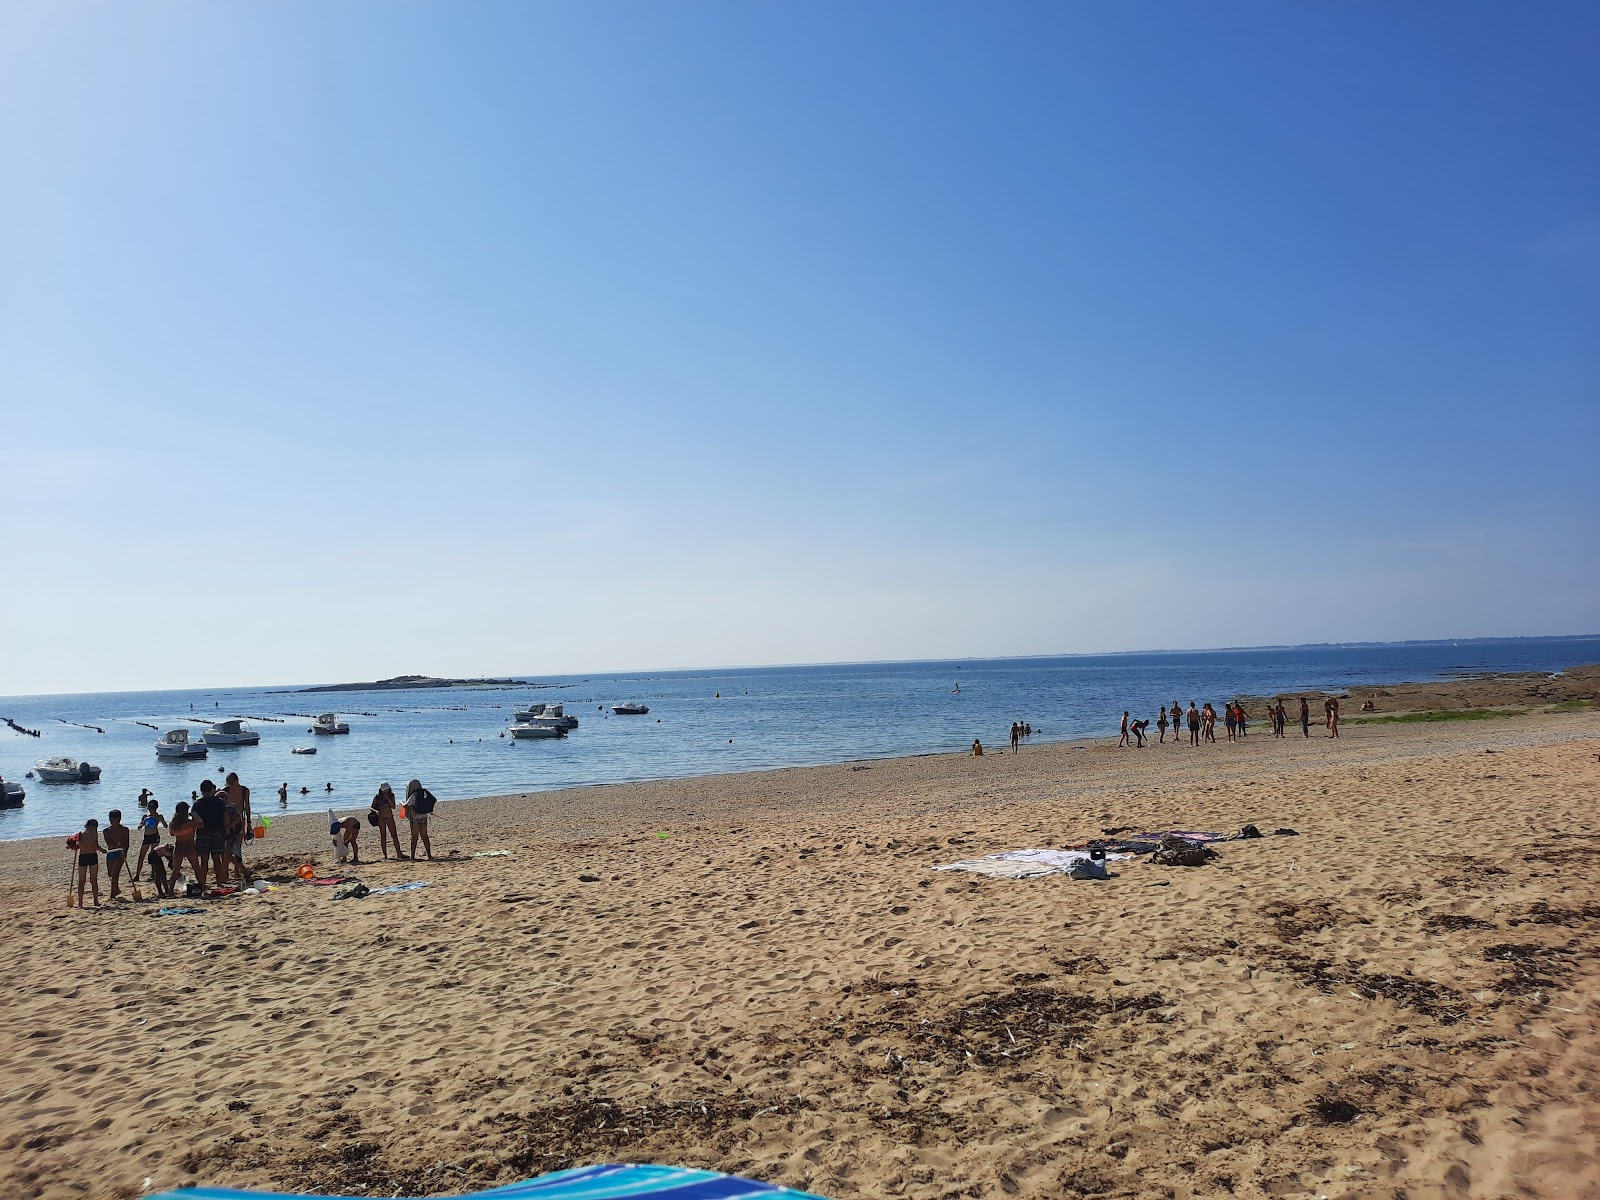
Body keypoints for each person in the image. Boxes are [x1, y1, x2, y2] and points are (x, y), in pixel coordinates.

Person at [192, 779, 228, 888]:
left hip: (203, 834)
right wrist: (225, 828)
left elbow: (194, 820)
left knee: (204, 860)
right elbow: (226, 817)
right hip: (217, 832)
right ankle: (218, 882)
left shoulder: (197, 804)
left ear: (201, 790)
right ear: (212, 789)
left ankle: (203, 883)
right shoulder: (219, 802)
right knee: (217, 859)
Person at [222, 772, 252, 882]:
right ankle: (225, 874)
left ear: (237, 781)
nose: (230, 786)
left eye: (231, 783)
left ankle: (236, 872)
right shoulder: (225, 791)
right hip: (228, 822)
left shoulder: (244, 790)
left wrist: (249, 823)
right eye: (228, 784)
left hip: (240, 821)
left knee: (237, 848)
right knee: (227, 848)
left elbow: (247, 806)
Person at [169, 801, 201, 890]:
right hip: (189, 846)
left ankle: (170, 891)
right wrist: (194, 815)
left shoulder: (173, 824)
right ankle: (201, 887)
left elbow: (171, 833)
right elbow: (202, 824)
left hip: (179, 846)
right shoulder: (190, 823)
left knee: (175, 871)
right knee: (196, 868)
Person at [134, 797, 167, 881]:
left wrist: (161, 820)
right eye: (150, 808)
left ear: (156, 808)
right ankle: (137, 875)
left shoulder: (159, 816)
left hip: (155, 836)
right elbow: (139, 827)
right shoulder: (145, 816)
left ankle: (153, 874)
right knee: (141, 855)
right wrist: (143, 822)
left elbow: (165, 826)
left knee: (153, 855)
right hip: (147, 837)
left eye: (153, 809)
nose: (151, 810)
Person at [370, 782, 405, 859]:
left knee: (394, 835)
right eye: (385, 791)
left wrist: (388, 798)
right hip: (381, 818)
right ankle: (385, 855)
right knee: (383, 836)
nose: (386, 792)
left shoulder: (391, 795)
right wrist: (375, 811)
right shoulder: (377, 797)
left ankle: (399, 853)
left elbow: (393, 806)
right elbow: (372, 807)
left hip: (389, 817)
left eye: (387, 790)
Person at [405, 779, 438, 859]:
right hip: (424, 817)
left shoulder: (413, 795)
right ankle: (429, 855)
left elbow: (407, 805)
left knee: (414, 837)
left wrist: (407, 814)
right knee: (425, 836)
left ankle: (412, 856)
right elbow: (434, 799)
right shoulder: (424, 793)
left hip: (415, 818)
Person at [75, 818, 104, 908]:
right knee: (93, 880)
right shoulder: (94, 834)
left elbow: (74, 845)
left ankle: (80, 902)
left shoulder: (80, 835)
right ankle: (95, 901)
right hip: (92, 856)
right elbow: (96, 846)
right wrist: (102, 850)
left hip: (83, 856)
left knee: (82, 880)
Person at [104, 809, 131, 900]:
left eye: (116, 820)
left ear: (119, 819)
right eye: (112, 820)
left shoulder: (124, 830)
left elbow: (126, 843)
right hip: (111, 853)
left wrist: (125, 852)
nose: (114, 822)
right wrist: (116, 845)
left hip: (120, 853)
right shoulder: (106, 831)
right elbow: (109, 843)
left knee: (115, 873)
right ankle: (116, 889)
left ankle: (112, 893)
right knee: (110, 873)